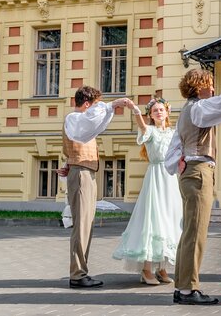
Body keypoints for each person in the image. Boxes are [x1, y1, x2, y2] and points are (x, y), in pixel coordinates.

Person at [164, 52, 221, 305]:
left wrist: (178, 162)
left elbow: (174, 147)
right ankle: (188, 289)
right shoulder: (199, 107)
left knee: (191, 230)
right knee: (196, 232)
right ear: (200, 87)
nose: (213, 89)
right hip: (198, 172)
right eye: (210, 84)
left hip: (191, 171)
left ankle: (182, 286)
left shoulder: (188, 110)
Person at [59, 86, 130, 289]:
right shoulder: (75, 118)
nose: (97, 109)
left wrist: (68, 164)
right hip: (81, 174)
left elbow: (72, 146)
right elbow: (87, 124)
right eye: (95, 105)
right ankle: (77, 274)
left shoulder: (81, 122)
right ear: (87, 104)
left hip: (84, 172)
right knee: (82, 225)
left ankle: (80, 272)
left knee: (86, 224)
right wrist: (112, 105)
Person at [112, 97, 182, 286]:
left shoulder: (173, 133)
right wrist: (136, 111)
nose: (159, 112)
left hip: (170, 179)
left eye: (161, 110)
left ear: (167, 112)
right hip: (156, 178)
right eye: (155, 110)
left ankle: (162, 267)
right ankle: (146, 269)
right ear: (150, 115)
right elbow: (142, 127)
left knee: (169, 219)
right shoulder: (150, 131)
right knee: (154, 219)